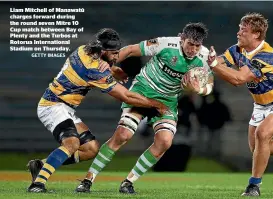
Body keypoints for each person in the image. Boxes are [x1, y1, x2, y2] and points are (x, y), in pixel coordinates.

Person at [76, 22, 214, 194]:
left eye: (197, 46)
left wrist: (193, 88)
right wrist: (109, 63)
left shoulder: (205, 57)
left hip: (167, 101)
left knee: (165, 142)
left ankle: (128, 182)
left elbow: (207, 87)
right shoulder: (165, 44)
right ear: (181, 38)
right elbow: (131, 50)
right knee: (123, 135)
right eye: (190, 44)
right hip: (143, 91)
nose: (193, 49)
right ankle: (88, 180)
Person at [27, 28, 168, 193]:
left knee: (91, 149)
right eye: (114, 53)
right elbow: (126, 97)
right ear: (103, 51)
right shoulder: (94, 70)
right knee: (72, 144)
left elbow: (103, 66)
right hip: (52, 106)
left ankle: (41, 165)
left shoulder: (83, 50)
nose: (117, 56)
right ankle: (37, 184)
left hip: (64, 107)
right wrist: (155, 104)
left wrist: (114, 70)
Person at [207, 13, 273, 196]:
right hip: (260, 105)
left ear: (256, 35)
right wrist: (205, 62)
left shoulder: (268, 56)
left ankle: (254, 186)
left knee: (262, 135)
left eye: (243, 30)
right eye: (239, 28)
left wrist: (213, 66)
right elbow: (219, 61)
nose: (238, 33)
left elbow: (238, 79)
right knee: (257, 148)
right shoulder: (238, 50)